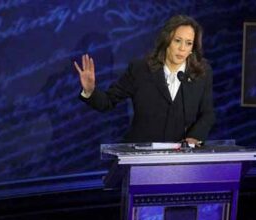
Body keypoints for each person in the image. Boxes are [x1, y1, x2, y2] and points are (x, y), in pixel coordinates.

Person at [74, 15, 215, 145]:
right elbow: (108, 102)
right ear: (166, 40)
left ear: (192, 48)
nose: (182, 48)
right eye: (177, 41)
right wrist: (90, 91)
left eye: (188, 43)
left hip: (181, 155)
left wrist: (194, 137)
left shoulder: (201, 72)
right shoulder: (140, 69)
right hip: (142, 154)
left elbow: (207, 113)